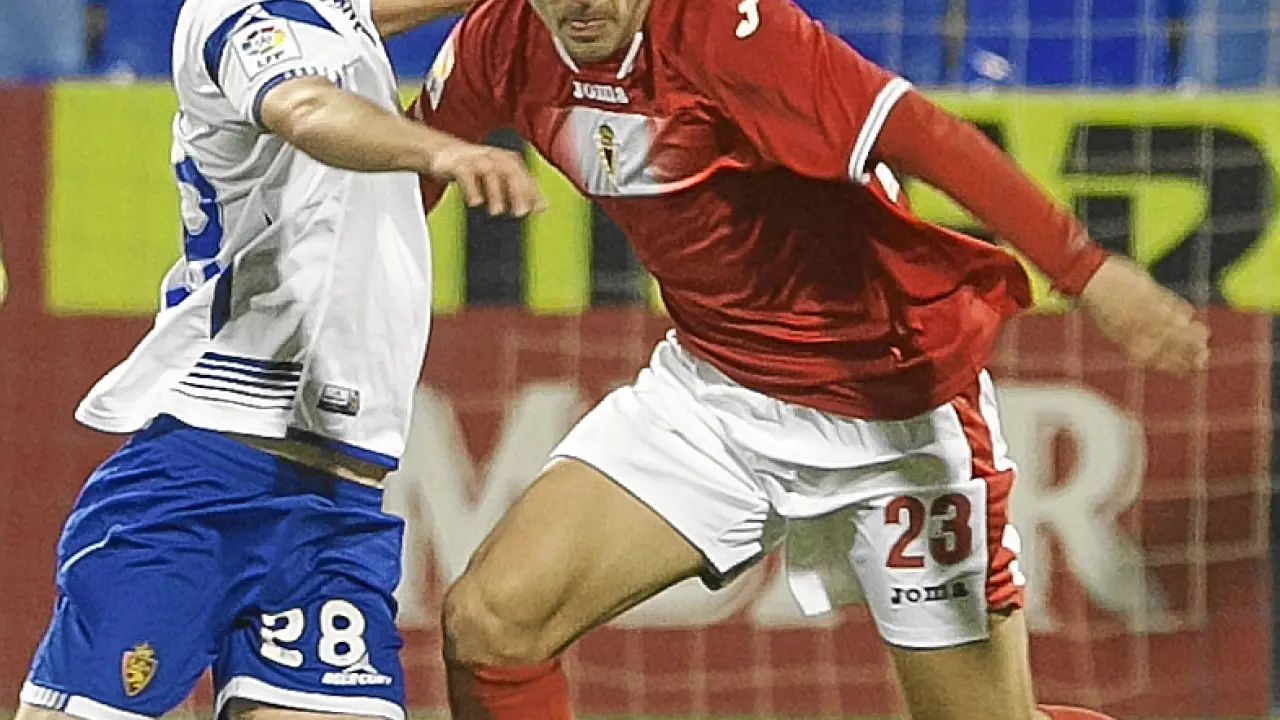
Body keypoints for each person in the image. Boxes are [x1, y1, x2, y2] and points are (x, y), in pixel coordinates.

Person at [407, 0, 1209, 718]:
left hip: (892, 416)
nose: (580, 2)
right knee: (491, 622)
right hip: (712, 395)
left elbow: (918, 132)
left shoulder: (732, 33)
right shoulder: (500, 40)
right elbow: (406, 183)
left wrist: (1084, 270)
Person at [14, 1, 541, 720]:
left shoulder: (329, 15)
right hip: (208, 474)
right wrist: (443, 152)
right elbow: (304, 108)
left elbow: (365, 12)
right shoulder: (238, 11)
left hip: (338, 502)